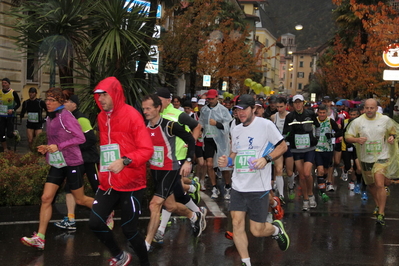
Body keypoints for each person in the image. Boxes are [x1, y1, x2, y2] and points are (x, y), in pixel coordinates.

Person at [218, 94, 289, 266]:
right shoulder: (235, 129)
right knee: (237, 223)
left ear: (253, 109)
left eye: (244, 109)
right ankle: (246, 261)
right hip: (238, 185)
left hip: (258, 186)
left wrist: (266, 159)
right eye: (237, 110)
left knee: (257, 230)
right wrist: (228, 160)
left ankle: (275, 229)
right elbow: (236, 152)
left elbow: (283, 146)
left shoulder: (265, 125)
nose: (240, 113)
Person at [89, 77, 153, 265]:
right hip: (108, 181)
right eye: (98, 95)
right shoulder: (101, 117)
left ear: (115, 94)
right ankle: (120, 256)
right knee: (95, 223)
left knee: (129, 230)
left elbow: (147, 149)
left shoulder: (132, 115)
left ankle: (145, 263)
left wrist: (125, 161)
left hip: (131, 182)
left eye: (104, 94)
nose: (100, 99)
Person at [21, 88, 93, 250]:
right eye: (47, 99)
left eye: (52, 100)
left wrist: (58, 146)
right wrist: (46, 148)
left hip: (72, 162)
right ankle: (40, 237)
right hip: (58, 163)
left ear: (60, 102)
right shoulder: (50, 117)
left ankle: (104, 208)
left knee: (80, 199)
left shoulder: (66, 117)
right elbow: (54, 140)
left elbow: (80, 137)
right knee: (46, 198)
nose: (48, 103)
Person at [142, 94, 205, 250]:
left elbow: (190, 139)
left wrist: (189, 161)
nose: (145, 111)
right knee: (170, 206)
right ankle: (194, 215)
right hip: (155, 170)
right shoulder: (145, 126)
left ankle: (147, 243)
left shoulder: (169, 125)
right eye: (144, 109)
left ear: (158, 108)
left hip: (169, 169)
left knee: (155, 204)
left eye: (148, 108)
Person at [345, 98, 399, 226]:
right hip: (366, 158)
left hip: (382, 156)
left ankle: (381, 213)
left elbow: (394, 131)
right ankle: (377, 204)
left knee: (379, 183)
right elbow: (347, 137)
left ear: (376, 108)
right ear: (364, 109)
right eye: (367, 108)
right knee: (371, 185)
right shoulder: (358, 121)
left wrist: (392, 137)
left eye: (372, 108)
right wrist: (357, 140)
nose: (369, 110)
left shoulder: (385, 120)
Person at [54, 93, 100, 230]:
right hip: (76, 160)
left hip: (89, 159)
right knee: (70, 188)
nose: (64, 103)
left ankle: (105, 212)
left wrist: (75, 147)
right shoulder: (64, 119)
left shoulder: (81, 118)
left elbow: (91, 139)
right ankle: (70, 219)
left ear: (74, 104)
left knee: (97, 187)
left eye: (67, 101)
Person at [283, 94, 320, 211]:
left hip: (309, 148)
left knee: (307, 173)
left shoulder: (310, 114)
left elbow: (317, 126)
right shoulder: (290, 117)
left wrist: (316, 138)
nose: (298, 105)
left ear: (303, 103)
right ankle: (305, 198)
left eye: (300, 102)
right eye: (295, 103)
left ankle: (310, 194)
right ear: (293, 104)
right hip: (296, 149)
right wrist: (287, 138)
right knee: (302, 176)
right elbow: (285, 132)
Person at [198, 89, 232, 199]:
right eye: (209, 99)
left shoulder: (223, 110)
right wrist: (200, 131)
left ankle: (227, 187)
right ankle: (214, 187)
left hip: (221, 140)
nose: (210, 100)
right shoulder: (204, 110)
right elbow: (201, 123)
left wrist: (217, 123)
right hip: (208, 139)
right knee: (209, 164)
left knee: (224, 165)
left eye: (212, 98)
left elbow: (228, 125)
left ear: (217, 97)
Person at [270, 97, 296, 201]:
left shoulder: (291, 116)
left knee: (289, 172)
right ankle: (281, 195)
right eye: (277, 107)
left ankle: (291, 183)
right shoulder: (273, 117)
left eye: (281, 107)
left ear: (286, 106)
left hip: (289, 145)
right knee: (278, 169)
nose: (279, 109)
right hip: (278, 146)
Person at [314, 104, 342, 202]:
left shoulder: (330, 121)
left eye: (323, 113)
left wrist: (332, 135)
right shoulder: (314, 121)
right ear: (317, 113)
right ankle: (322, 192)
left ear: (327, 113)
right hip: (317, 149)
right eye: (320, 113)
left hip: (328, 149)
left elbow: (340, 132)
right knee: (320, 170)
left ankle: (321, 182)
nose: (322, 115)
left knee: (325, 171)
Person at [0, 77, 21, 151]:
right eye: (2, 83)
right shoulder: (0, 92)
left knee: (9, 134)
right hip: (2, 116)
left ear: (9, 84)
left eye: (5, 83)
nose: (3, 84)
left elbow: (18, 104)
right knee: (1, 134)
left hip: (10, 116)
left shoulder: (13, 92)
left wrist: (13, 109)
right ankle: (5, 148)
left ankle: (15, 133)